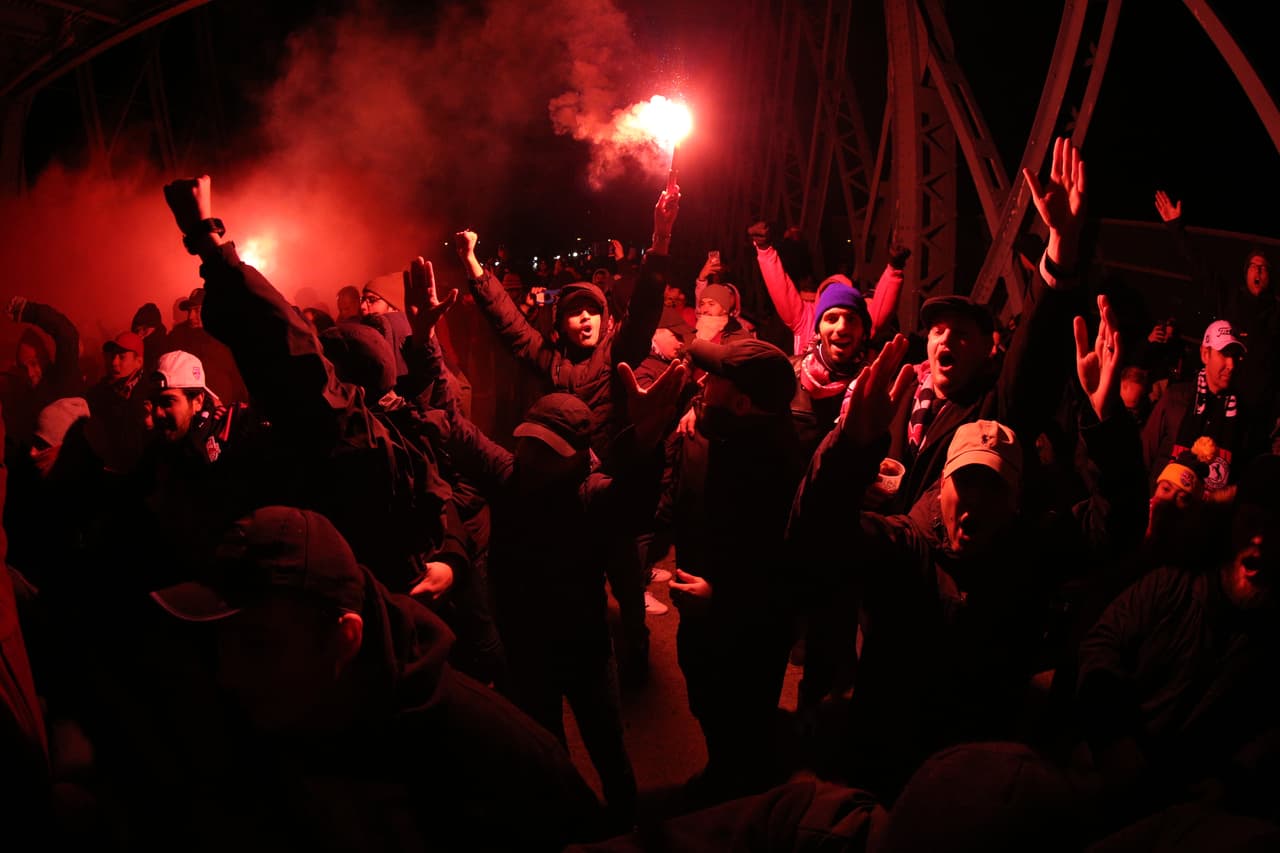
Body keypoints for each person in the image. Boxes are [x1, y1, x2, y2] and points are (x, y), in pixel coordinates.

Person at [789, 300, 1141, 797]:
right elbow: (814, 537)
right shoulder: (906, 544)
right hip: (889, 756)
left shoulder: (1031, 546)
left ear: (1016, 499)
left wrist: (1109, 426)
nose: (973, 504)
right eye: (965, 483)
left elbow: (1117, 524)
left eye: (992, 488)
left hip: (978, 764)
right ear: (942, 483)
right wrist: (849, 447)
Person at [404, 251, 688, 827]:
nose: (528, 454)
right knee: (545, 749)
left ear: (577, 459)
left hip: (583, 650)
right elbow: (454, 423)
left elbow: (634, 500)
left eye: (544, 449)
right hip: (527, 648)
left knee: (607, 747)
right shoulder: (513, 474)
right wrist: (425, 335)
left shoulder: (593, 496)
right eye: (527, 440)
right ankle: (566, 827)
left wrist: (649, 437)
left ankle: (627, 827)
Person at [150, 505, 604, 850]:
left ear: (345, 638)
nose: (227, 674)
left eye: (258, 645)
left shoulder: (504, 758)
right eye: (219, 641)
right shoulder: (261, 718)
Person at [1075, 455, 1280, 832]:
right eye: (1253, 522)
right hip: (1106, 779)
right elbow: (1102, 644)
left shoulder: (1271, 641)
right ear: (1231, 527)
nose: (1262, 539)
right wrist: (1112, 737)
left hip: (1187, 818)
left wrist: (1229, 782)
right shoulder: (1172, 585)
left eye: (1277, 529)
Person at [660, 337, 802, 801]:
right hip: (701, 610)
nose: (703, 383)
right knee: (706, 696)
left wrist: (721, 597)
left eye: (714, 379)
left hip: (744, 629)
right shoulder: (716, 429)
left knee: (739, 713)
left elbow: (785, 569)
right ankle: (723, 767)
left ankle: (740, 796)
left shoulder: (778, 466)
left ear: (743, 402)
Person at [749, 219, 909, 356]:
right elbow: (780, 287)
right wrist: (764, 250)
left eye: (846, 314)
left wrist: (894, 269)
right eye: (831, 318)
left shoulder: (856, 323)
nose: (840, 327)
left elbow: (878, 316)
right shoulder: (806, 319)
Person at [1141, 319, 1247, 497]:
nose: (1231, 365)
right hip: (1161, 510)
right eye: (1224, 354)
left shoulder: (1241, 414)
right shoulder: (1175, 398)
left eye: (1235, 356)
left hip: (1204, 520)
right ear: (1205, 354)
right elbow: (1144, 456)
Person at [84, 331, 151, 472]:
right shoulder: (97, 394)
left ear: (138, 362)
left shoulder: (152, 395)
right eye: (113, 356)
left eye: (122, 357)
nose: (114, 362)